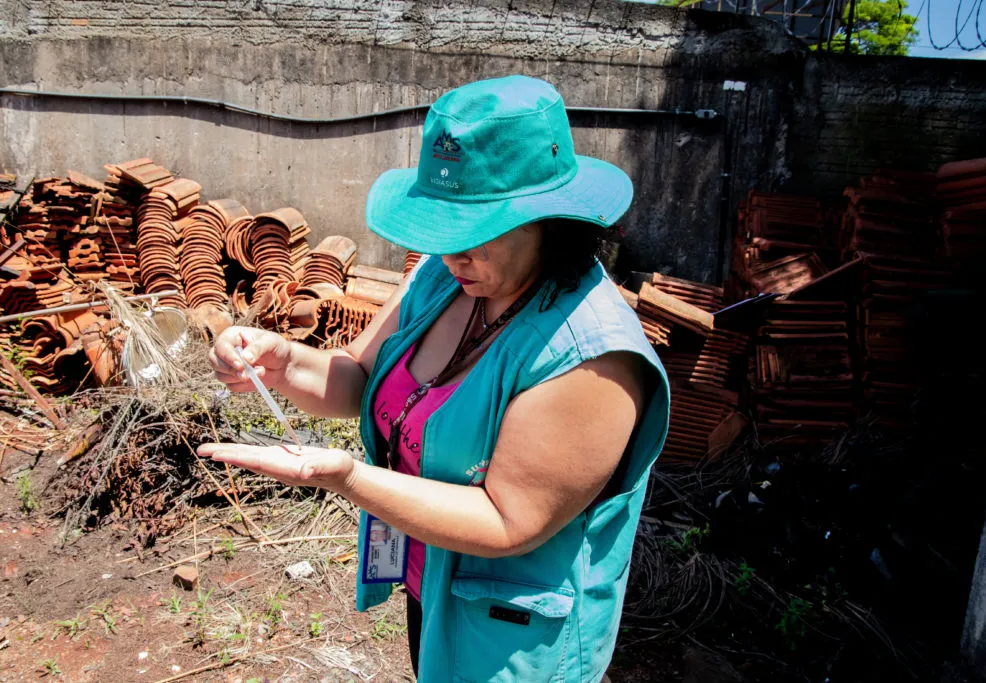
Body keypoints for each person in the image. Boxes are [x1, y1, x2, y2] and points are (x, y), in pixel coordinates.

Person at [200, 74, 670, 682]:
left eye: (477, 232)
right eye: (445, 230)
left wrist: (348, 478)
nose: (455, 254)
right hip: (438, 590)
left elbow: (510, 520)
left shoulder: (591, 355)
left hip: (514, 641)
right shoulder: (444, 280)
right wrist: (284, 361)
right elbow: (360, 376)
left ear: (550, 219)